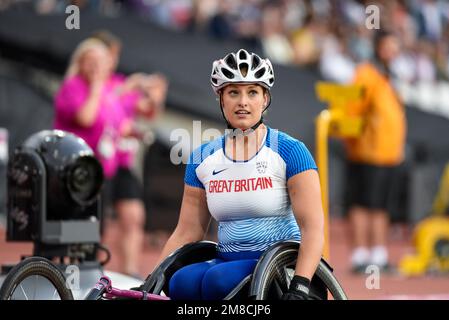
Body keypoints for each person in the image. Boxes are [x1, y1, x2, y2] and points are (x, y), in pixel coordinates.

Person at [152, 49, 325, 300]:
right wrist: (152, 280)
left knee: (217, 280)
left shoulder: (291, 151)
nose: (242, 102)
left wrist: (300, 285)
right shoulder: (202, 157)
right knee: (181, 281)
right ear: (221, 99)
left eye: (252, 92)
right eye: (233, 92)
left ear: (265, 99)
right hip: (226, 260)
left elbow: (313, 228)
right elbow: (187, 231)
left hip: (278, 266)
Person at [54, 38, 165, 277]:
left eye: (101, 62)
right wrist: (96, 86)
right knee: (81, 226)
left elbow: (119, 123)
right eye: (91, 61)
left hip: (104, 169)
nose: (96, 67)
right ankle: (66, 274)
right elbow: (86, 118)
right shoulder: (74, 86)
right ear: (80, 63)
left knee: (98, 225)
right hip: (78, 168)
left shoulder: (109, 91)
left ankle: (100, 273)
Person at [342, 30, 407, 273]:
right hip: (366, 154)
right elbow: (351, 112)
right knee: (362, 203)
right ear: (378, 47)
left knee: (381, 205)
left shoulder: (388, 77)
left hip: (388, 155)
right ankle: (360, 256)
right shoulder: (366, 75)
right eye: (388, 46)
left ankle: (378, 255)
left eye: (395, 47)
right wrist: (355, 143)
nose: (393, 52)